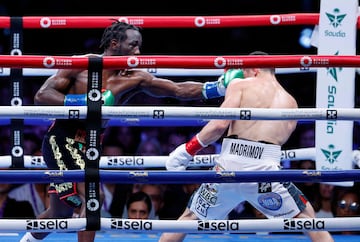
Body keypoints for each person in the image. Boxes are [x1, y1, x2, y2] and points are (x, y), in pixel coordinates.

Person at [20, 20, 242, 242]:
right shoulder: (82, 64)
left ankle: (26, 240)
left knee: (60, 213)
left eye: (139, 46)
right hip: (61, 140)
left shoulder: (135, 77)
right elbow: (42, 95)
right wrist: (86, 102)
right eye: (133, 45)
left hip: (90, 147)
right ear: (115, 44)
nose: (137, 52)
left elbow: (177, 89)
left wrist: (217, 87)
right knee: (90, 198)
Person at [159, 51, 334, 242]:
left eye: (243, 70)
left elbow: (219, 125)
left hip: (228, 167)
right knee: (307, 218)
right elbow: (279, 140)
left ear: (254, 67)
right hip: (265, 172)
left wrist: (187, 150)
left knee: (189, 218)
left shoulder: (240, 85)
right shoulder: (291, 102)